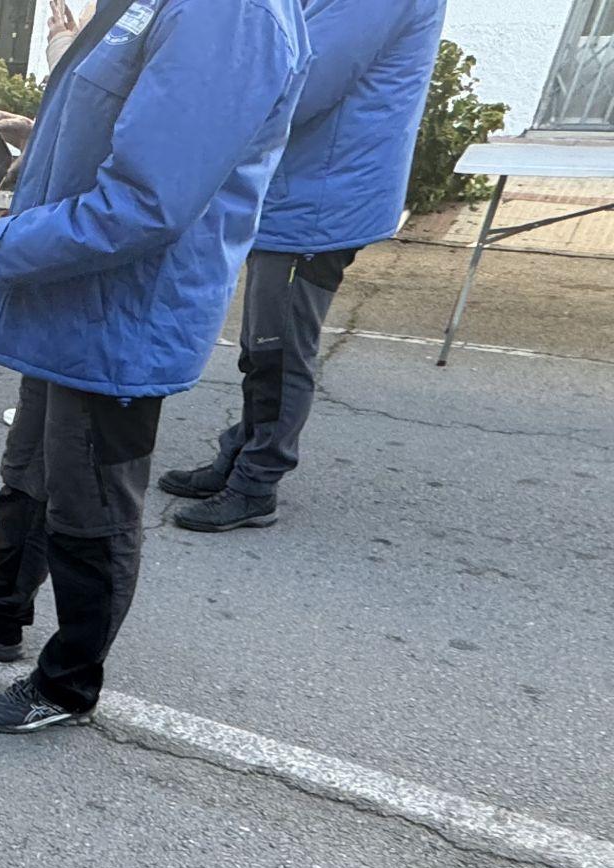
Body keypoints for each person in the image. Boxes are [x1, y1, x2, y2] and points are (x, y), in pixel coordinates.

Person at [0, 0, 310, 734]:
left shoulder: (231, 15)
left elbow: (148, 201)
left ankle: (68, 684)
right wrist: (45, 134)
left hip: (122, 308)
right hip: (75, 291)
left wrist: (3, 249)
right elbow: (148, 130)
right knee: (32, 465)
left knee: (92, 506)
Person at [162, 0, 447, 532]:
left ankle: (256, 483)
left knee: (280, 350)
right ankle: (241, 452)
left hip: (322, 199)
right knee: (263, 343)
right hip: (306, 188)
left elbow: (300, 80)